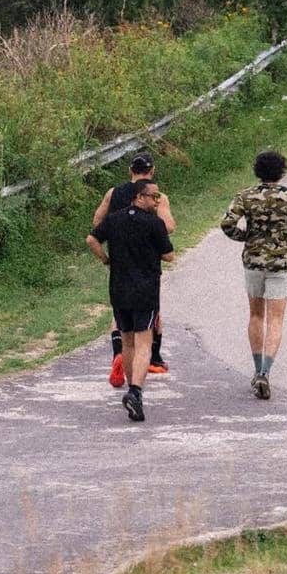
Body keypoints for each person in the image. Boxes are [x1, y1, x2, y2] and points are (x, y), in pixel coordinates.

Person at [220, 151, 287, 400]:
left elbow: (227, 224)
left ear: (257, 171)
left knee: (255, 314)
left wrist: (247, 236)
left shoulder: (246, 196)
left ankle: (256, 365)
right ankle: (265, 371)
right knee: (275, 320)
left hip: (253, 261)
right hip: (280, 264)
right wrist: (284, 228)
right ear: (281, 172)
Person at [87, 179, 175, 423]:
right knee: (144, 341)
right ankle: (135, 391)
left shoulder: (114, 219)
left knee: (127, 342)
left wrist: (106, 259)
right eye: (153, 197)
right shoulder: (154, 224)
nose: (157, 201)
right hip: (145, 290)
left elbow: (91, 239)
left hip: (118, 288)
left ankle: (130, 387)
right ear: (139, 197)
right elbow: (169, 255)